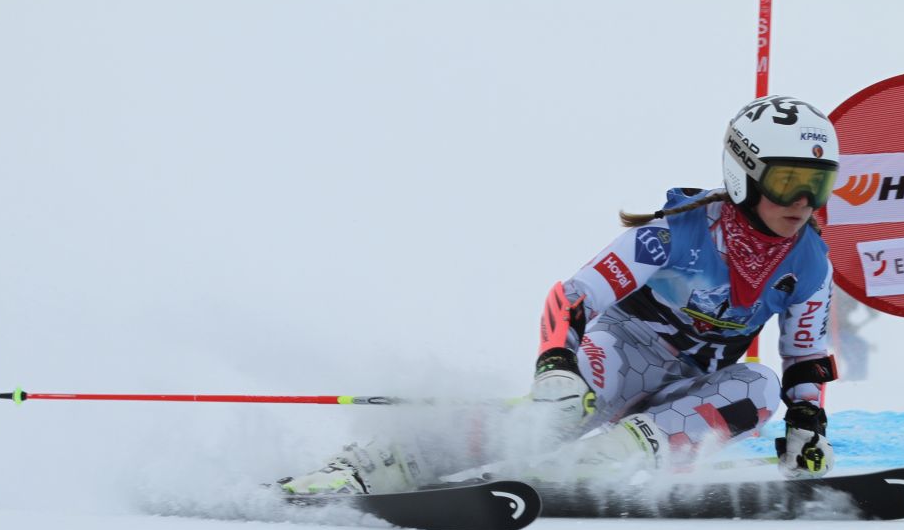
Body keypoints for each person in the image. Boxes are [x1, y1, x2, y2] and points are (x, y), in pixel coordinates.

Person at [279, 95, 842, 497]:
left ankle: (602, 462)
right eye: (787, 180)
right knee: (551, 417)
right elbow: (573, 296)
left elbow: (805, 356)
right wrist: (556, 365)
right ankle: (373, 464)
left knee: (757, 386)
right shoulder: (676, 233)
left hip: (691, 385)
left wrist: (807, 426)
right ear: (745, 173)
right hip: (625, 354)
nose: (802, 201)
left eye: (817, 184)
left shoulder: (810, 263)